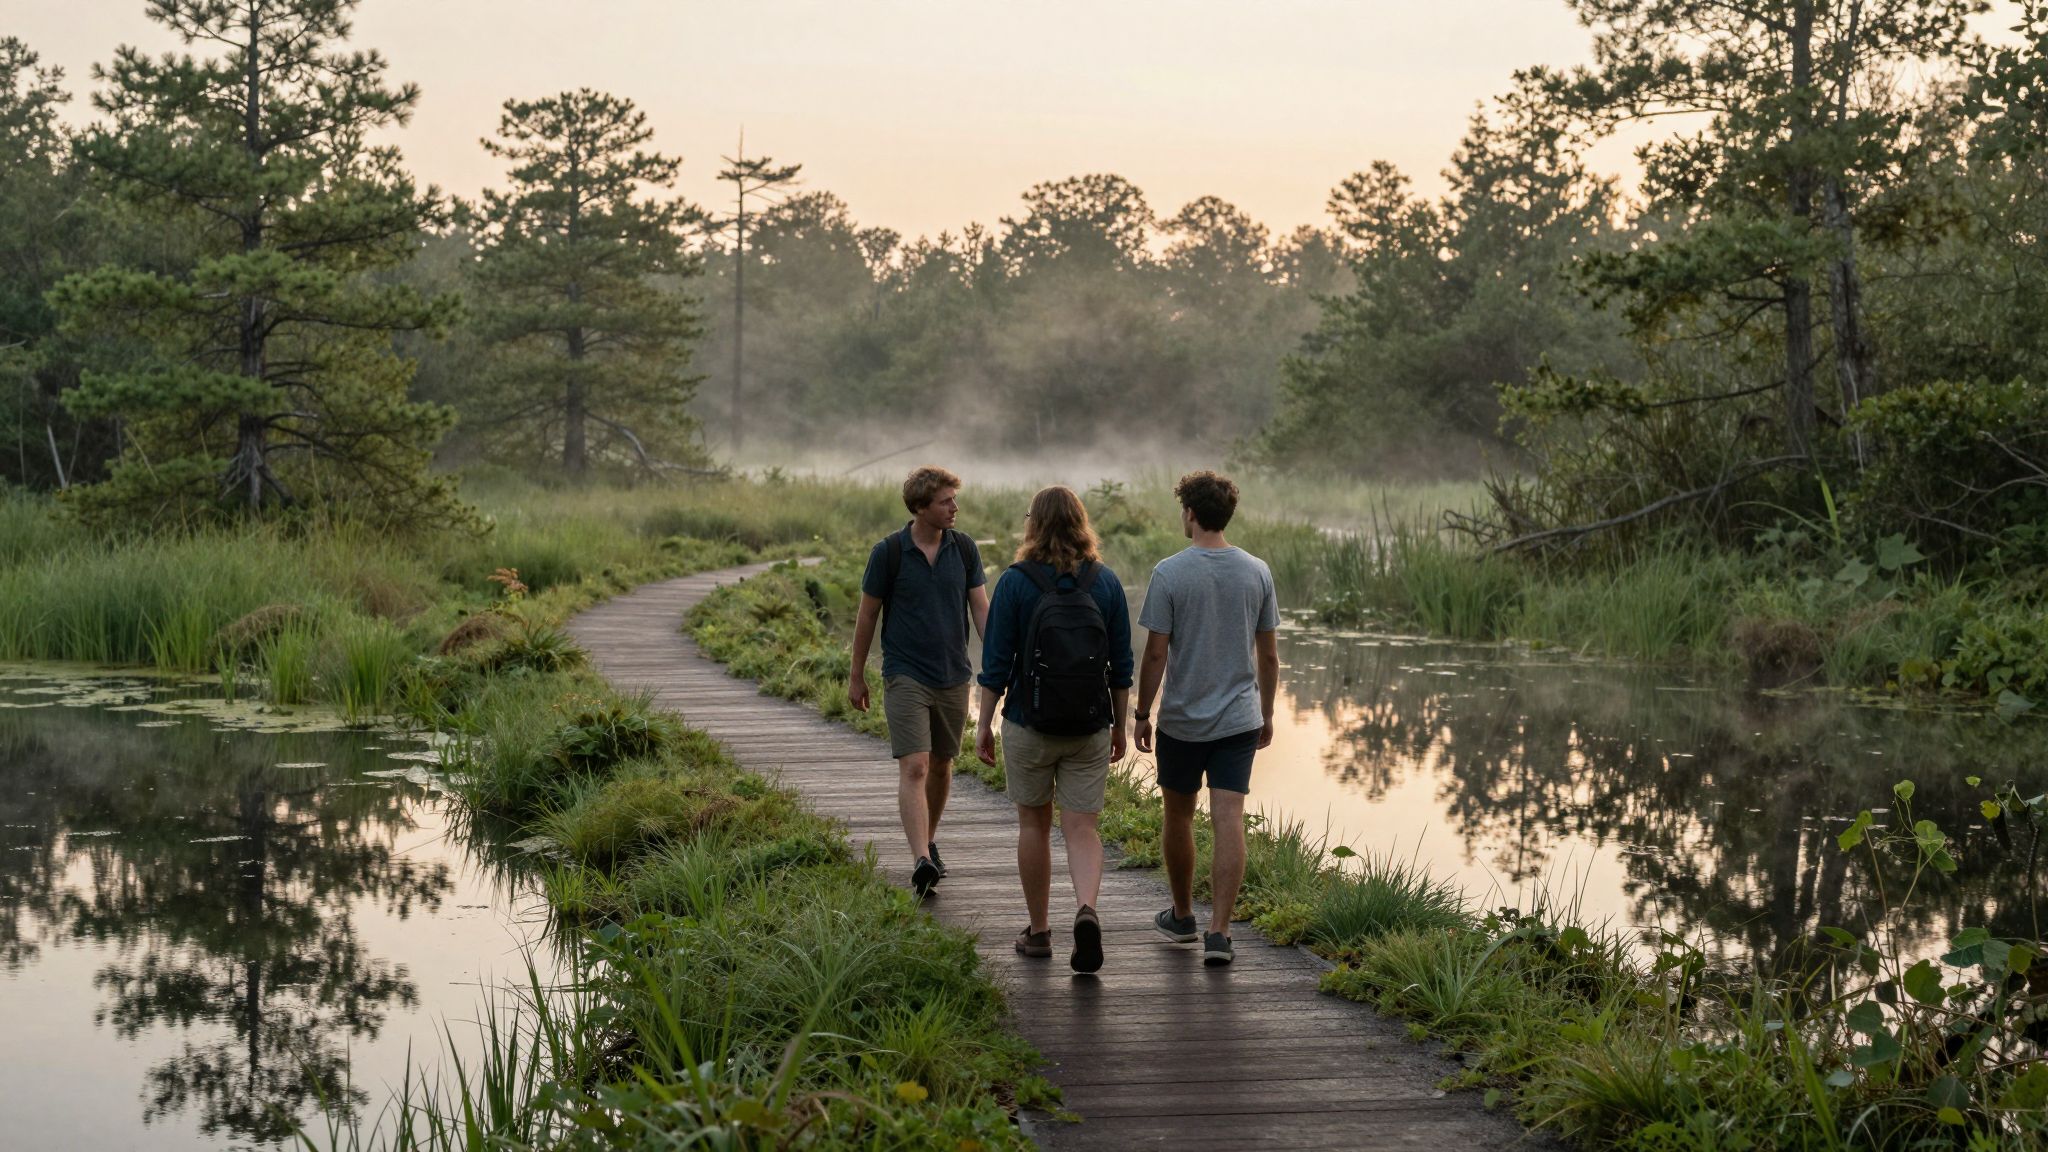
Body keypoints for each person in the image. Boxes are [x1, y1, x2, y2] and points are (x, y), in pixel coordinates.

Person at [975, 486, 1133, 974]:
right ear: (1081, 522)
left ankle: (1040, 931)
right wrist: (1119, 724)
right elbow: (1121, 665)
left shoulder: (1016, 582)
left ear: (1033, 524)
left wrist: (984, 724)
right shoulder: (1104, 583)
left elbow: (996, 662)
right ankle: (1086, 908)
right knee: (1082, 827)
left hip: (1029, 722)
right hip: (1089, 725)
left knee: (1033, 825)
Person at [1132, 470, 1280, 967]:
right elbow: (1270, 657)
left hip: (1182, 721)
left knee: (1177, 814)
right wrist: (1268, 712)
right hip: (1239, 719)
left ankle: (1182, 916)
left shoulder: (1170, 572)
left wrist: (1140, 713)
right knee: (1228, 819)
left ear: (1191, 514)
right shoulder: (1257, 571)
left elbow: (1155, 655)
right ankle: (1220, 933)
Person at [849, 466, 990, 897]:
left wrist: (1000, 665)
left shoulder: (964, 549)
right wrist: (856, 675)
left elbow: (981, 610)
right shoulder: (889, 552)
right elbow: (868, 615)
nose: (954, 508)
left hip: (953, 673)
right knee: (916, 765)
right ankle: (921, 860)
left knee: (943, 766)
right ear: (920, 507)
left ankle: (929, 839)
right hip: (905, 672)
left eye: (954, 499)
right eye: (946, 501)